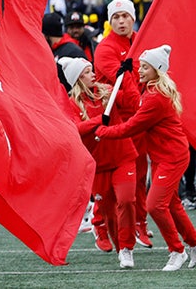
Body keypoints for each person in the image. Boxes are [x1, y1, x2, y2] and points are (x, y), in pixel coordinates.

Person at [96, 45, 196, 271]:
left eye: (145, 67)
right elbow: (133, 101)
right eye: (140, 66)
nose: (140, 70)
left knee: (154, 205)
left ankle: (177, 250)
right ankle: (193, 243)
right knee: (172, 205)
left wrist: (101, 132)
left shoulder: (155, 98)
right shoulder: (151, 91)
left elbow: (131, 126)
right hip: (165, 156)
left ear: (157, 70)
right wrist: (122, 81)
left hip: (172, 157)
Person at [59, 56, 138, 269]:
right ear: (77, 79)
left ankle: (126, 249)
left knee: (127, 200)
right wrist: (98, 120)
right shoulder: (71, 103)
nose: (92, 74)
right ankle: (119, 244)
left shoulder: (107, 92)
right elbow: (73, 129)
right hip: (98, 165)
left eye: (90, 70)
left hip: (122, 156)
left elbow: (133, 102)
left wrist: (127, 77)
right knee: (109, 213)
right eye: (86, 72)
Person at [94, 0, 150, 249]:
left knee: (139, 174)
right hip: (116, 121)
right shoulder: (105, 48)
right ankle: (100, 225)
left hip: (138, 120)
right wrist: (139, 103)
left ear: (132, 18)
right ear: (110, 22)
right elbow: (124, 80)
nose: (121, 21)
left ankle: (140, 223)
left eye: (125, 16)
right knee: (106, 180)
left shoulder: (141, 41)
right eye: (116, 17)